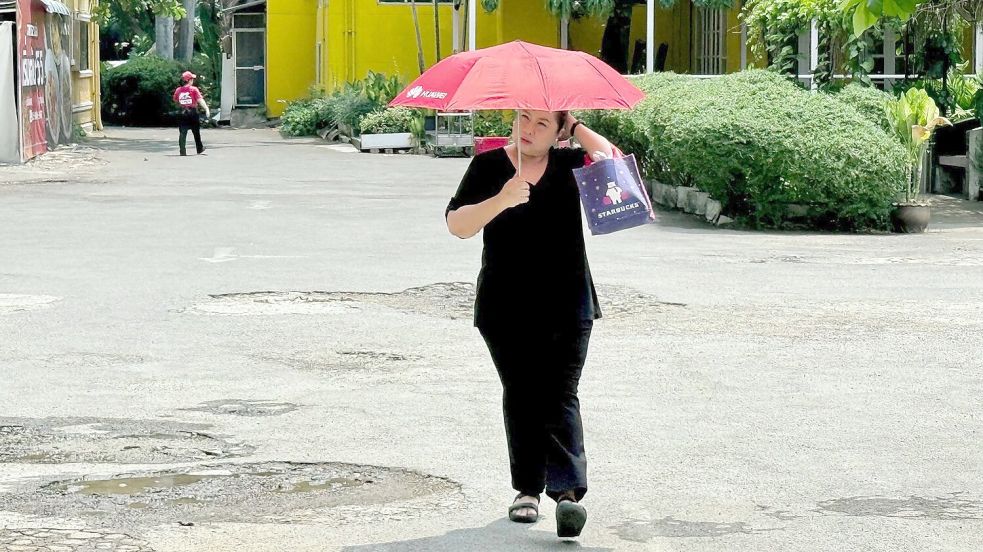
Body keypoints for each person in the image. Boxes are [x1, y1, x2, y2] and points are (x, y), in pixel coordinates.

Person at [445, 110, 614, 539]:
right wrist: (501, 199)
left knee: (560, 392)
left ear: (558, 132)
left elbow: (613, 163)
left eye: (542, 123)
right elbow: (457, 225)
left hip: (568, 300)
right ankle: (528, 490)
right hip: (506, 304)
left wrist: (576, 126)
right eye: (523, 117)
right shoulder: (488, 165)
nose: (528, 129)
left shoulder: (571, 163)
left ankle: (568, 495)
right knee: (521, 393)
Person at [172, 71, 210, 156]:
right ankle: (199, 148)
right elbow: (200, 100)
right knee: (196, 131)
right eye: (192, 79)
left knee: (182, 132)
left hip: (182, 112)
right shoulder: (194, 89)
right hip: (192, 112)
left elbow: (175, 100)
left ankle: (182, 151)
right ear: (189, 80)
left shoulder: (178, 90)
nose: (193, 80)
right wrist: (206, 108)